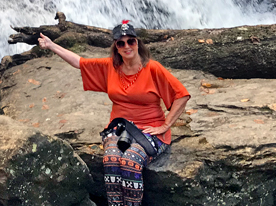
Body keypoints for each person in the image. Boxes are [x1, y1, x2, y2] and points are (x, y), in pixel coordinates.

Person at [37, 20, 190, 206]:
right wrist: (52, 45)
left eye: (131, 41)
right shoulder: (111, 67)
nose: (127, 46)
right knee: (111, 160)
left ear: (138, 43)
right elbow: (79, 62)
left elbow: (182, 95)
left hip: (149, 132)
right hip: (119, 128)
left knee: (130, 161)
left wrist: (165, 125)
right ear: (116, 47)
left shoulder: (153, 68)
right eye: (121, 43)